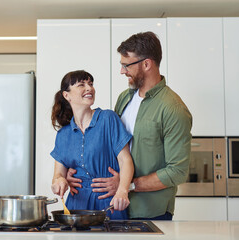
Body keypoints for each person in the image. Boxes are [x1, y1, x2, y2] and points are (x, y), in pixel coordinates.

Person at [67, 32, 192, 220]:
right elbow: (108, 146)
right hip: (113, 208)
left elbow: (177, 171)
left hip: (150, 212)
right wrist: (77, 170)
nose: (122, 71)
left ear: (146, 64)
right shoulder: (125, 98)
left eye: (126, 65)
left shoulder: (173, 109)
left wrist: (127, 185)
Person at [50, 70, 134, 220]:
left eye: (90, 84)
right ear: (66, 95)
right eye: (81, 85)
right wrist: (59, 181)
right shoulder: (63, 134)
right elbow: (58, 174)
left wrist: (123, 190)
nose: (89, 88)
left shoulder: (108, 119)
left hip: (109, 204)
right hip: (76, 206)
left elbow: (125, 160)